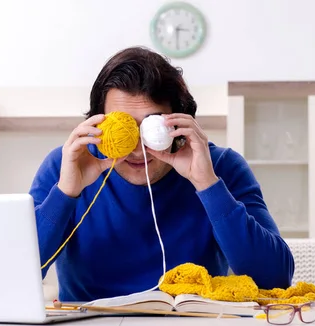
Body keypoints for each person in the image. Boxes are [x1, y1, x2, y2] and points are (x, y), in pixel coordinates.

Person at [29, 46, 294, 303]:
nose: (136, 150)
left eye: (150, 129)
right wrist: (65, 193)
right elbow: (17, 277)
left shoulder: (221, 167)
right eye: (123, 128)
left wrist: (207, 185)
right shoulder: (67, 165)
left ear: (179, 123)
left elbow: (276, 279)